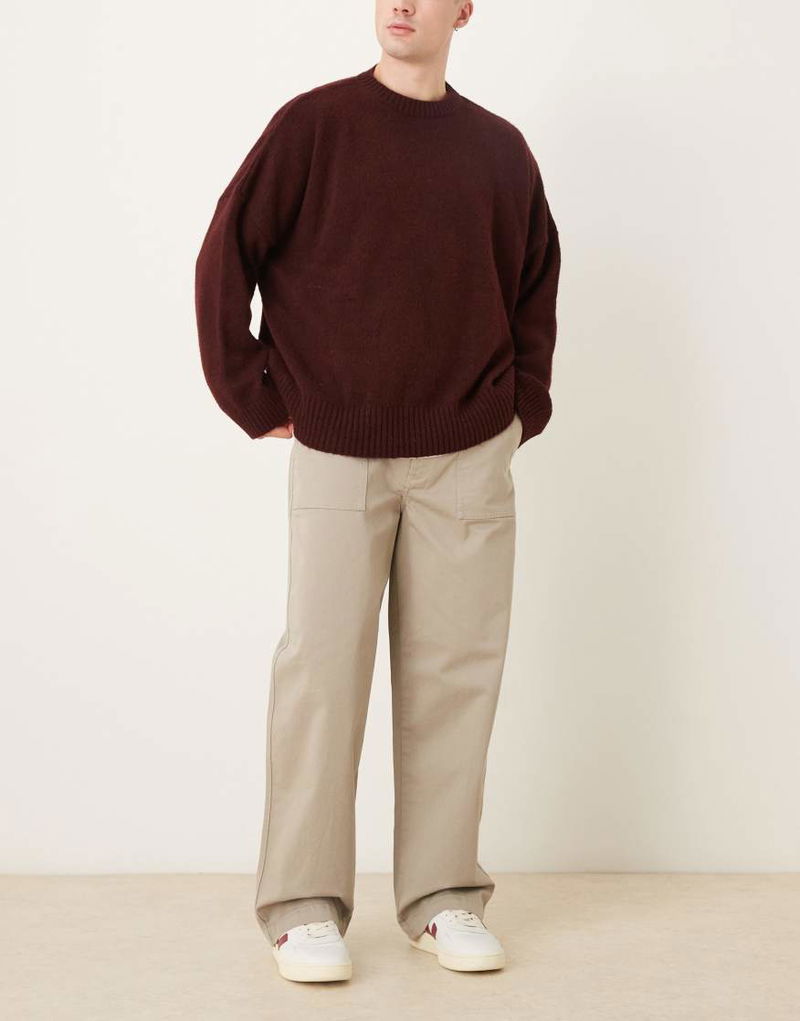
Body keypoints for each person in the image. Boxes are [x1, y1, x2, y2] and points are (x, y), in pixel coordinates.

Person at [194, 0, 561, 985]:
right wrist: (252, 392)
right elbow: (226, 251)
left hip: (466, 454)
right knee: (320, 672)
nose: (400, 2)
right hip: (338, 448)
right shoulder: (312, 127)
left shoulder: (498, 151)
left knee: (454, 676)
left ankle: (441, 897)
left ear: (463, 9)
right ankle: (302, 907)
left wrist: (520, 407)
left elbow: (535, 284)